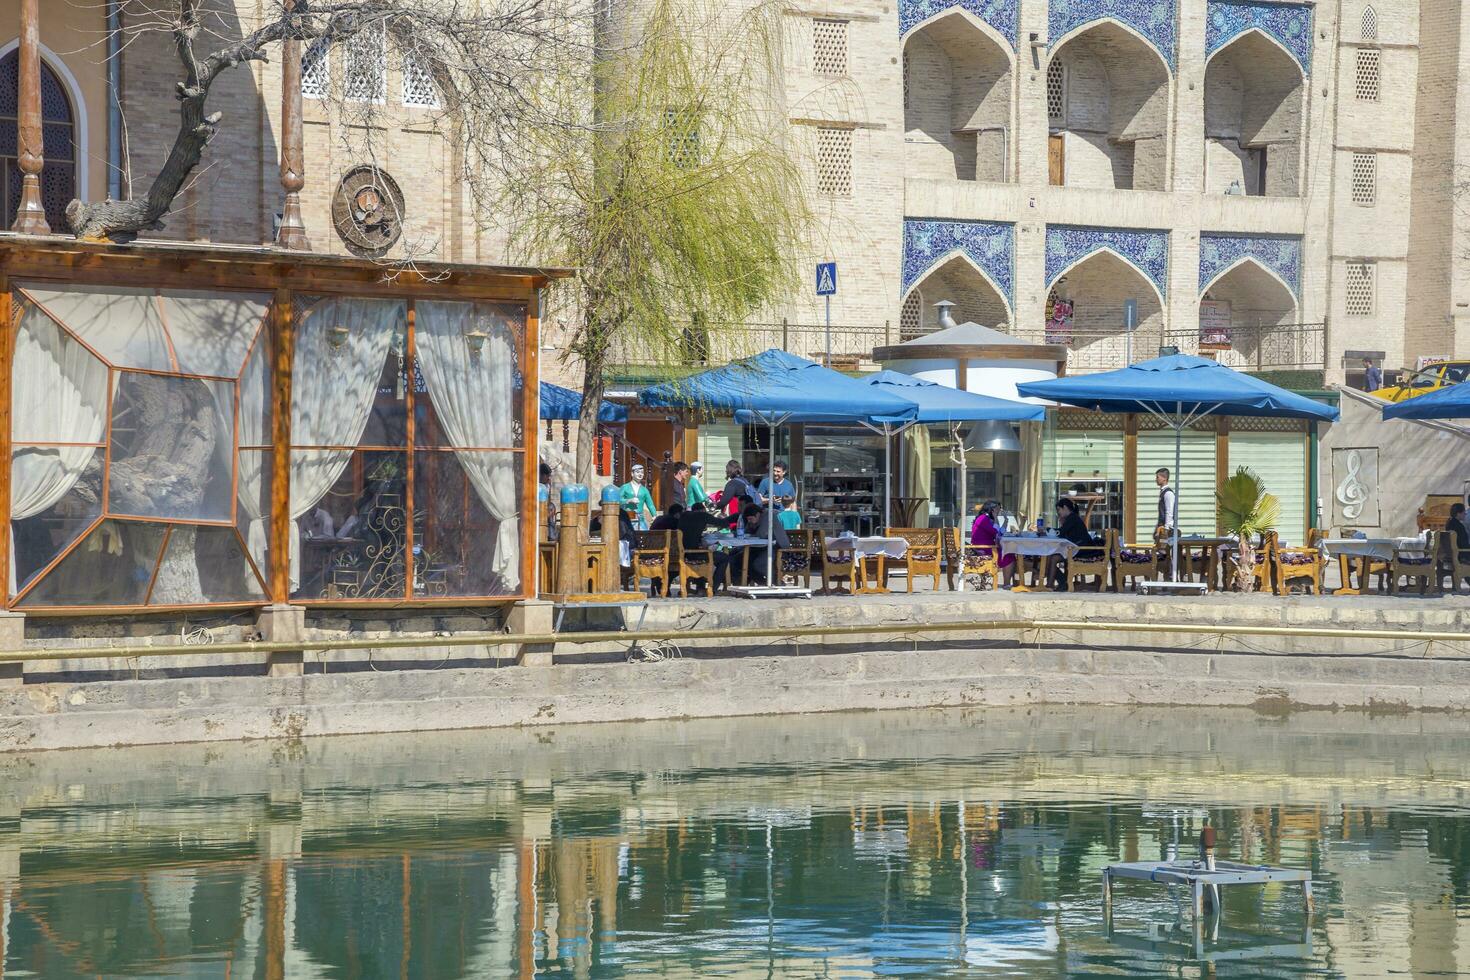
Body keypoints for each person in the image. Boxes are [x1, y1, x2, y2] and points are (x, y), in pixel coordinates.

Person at [677, 502, 732, 594]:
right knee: (724, 558)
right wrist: (736, 516)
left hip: (683, 553)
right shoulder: (703, 515)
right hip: (693, 554)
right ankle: (713, 588)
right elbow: (723, 523)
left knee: (703, 552)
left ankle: (700, 587)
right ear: (703, 510)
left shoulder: (684, 516)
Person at [1052, 497, 1100, 589]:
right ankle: (1061, 582)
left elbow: (1061, 532)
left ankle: (1061, 583)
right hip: (1077, 548)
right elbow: (1064, 534)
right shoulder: (1071, 518)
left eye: (1059, 509)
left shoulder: (1072, 518)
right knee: (1051, 557)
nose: (1058, 513)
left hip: (1083, 550)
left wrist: (1046, 530)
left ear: (1065, 507)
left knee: (1052, 558)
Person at [740, 503, 790, 585]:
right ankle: (764, 583)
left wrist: (751, 531)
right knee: (740, 559)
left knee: (758, 564)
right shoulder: (754, 519)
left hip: (778, 548)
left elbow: (761, 535)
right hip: (762, 547)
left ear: (758, 514)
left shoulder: (768, 517)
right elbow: (746, 532)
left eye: (750, 519)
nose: (749, 521)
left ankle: (776, 582)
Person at [969, 500, 1015, 587]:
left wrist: (1006, 520)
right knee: (1009, 555)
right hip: (984, 549)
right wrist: (996, 518)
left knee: (1009, 553)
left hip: (987, 547)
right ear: (992, 510)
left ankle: (1009, 583)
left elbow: (999, 533)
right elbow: (996, 532)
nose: (999, 511)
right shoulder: (984, 519)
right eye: (998, 509)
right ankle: (1007, 584)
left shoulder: (985, 518)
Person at [620, 463, 657, 530]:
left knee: (643, 535)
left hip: (640, 518)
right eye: (637, 472)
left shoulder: (644, 490)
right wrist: (628, 500)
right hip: (628, 517)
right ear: (632, 474)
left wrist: (654, 515)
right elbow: (618, 500)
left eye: (642, 472)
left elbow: (650, 504)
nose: (640, 474)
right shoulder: (625, 487)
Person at [1156, 468, 1177, 533]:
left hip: (1166, 529)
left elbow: (1169, 511)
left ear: (1164, 478)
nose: (1156, 479)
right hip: (1161, 527)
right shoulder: (1163, 492)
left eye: (1157, 477)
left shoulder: (1168, 493)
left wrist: (1166, 529)